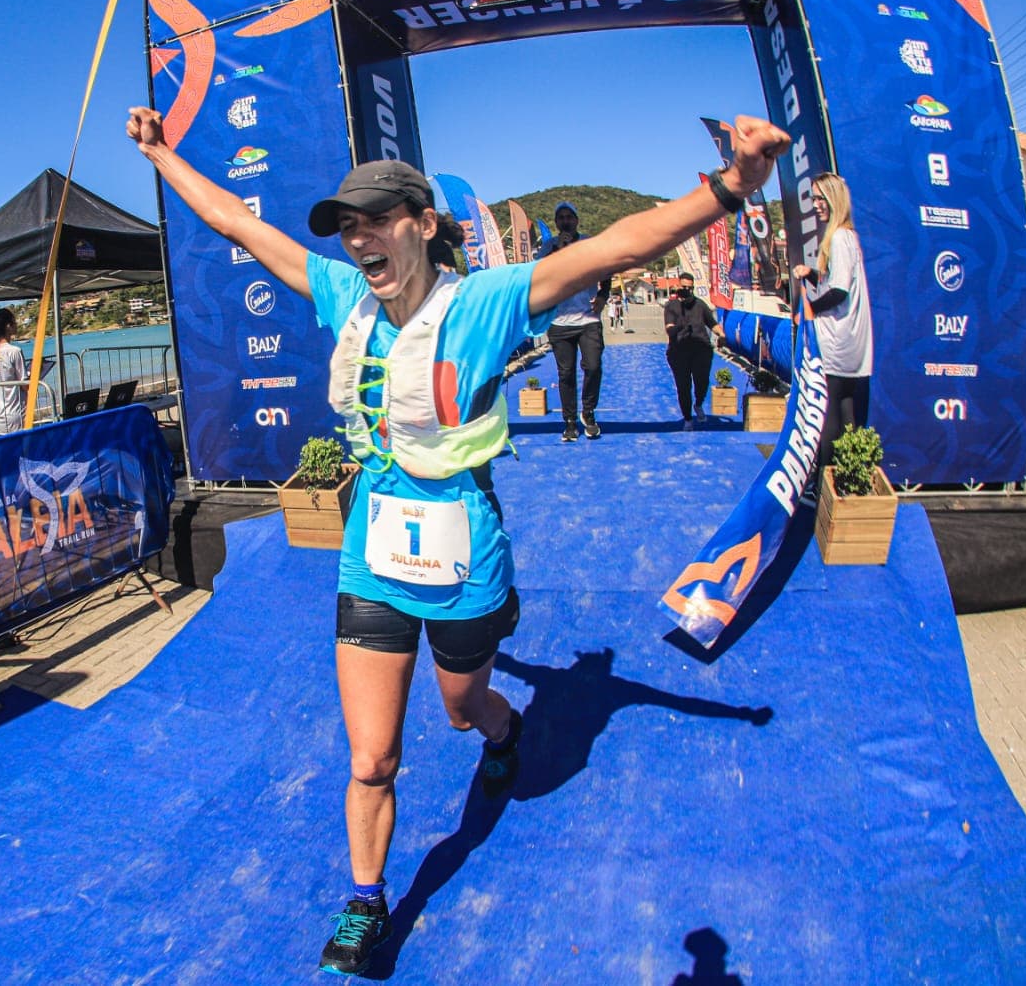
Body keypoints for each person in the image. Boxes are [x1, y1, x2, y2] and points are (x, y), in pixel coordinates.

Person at [126, 104, 789, 976]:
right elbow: (236, 224)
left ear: (424, 226)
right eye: (346, 227)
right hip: (372, 552)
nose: (358, 240)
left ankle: (502, 731)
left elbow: (618, 246)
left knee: (463, 706)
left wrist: (735, 185)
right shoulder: (340, 296)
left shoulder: (481, 304)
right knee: (373, 758)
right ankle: (366, 903)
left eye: (375, 221)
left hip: (462, 551)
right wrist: (161, 154)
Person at [791, 172, 873, 488]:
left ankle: (823, 484)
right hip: (854, 344)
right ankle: (847, 482)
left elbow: (838, 292)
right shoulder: (848, 238)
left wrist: (809, 312)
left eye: (819, 199)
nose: (816, 206)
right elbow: (838, 283)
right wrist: (812, 273)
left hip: (837, 342)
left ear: (833, 198)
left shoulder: (839, 237)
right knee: (849, 416)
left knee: (829, 417)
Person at [534, 201, 609, 441]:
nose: (565, 221)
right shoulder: (548, 246)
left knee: (593, 366)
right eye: (561, 218)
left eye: (569, 217)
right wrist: (559, 250)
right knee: (565, 374)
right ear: (556, 223)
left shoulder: (589, 243)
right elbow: (539, 273)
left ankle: (588, 411)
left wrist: (602, 295)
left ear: (577, 220)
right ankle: (569, 422)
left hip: (587, 318)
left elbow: (607, 269)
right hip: (560, 321)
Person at [663, 275, 727, 430]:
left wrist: (722, 335)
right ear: (678, 286)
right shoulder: (671, 306)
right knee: (683, 386)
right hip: (679, 351)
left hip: (701, 348)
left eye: (690, 288)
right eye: (684, 287)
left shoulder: (700, 305)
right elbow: (669, 329)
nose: (687, 290)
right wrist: (680, 326)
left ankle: (698, 404)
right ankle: (687, 418)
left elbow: (712, 323)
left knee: (702, 381)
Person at [0, 308, 28, 435]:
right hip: (15, 413)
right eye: (14, 321)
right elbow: (25, 384)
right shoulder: (14, 351)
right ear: (8, 326)